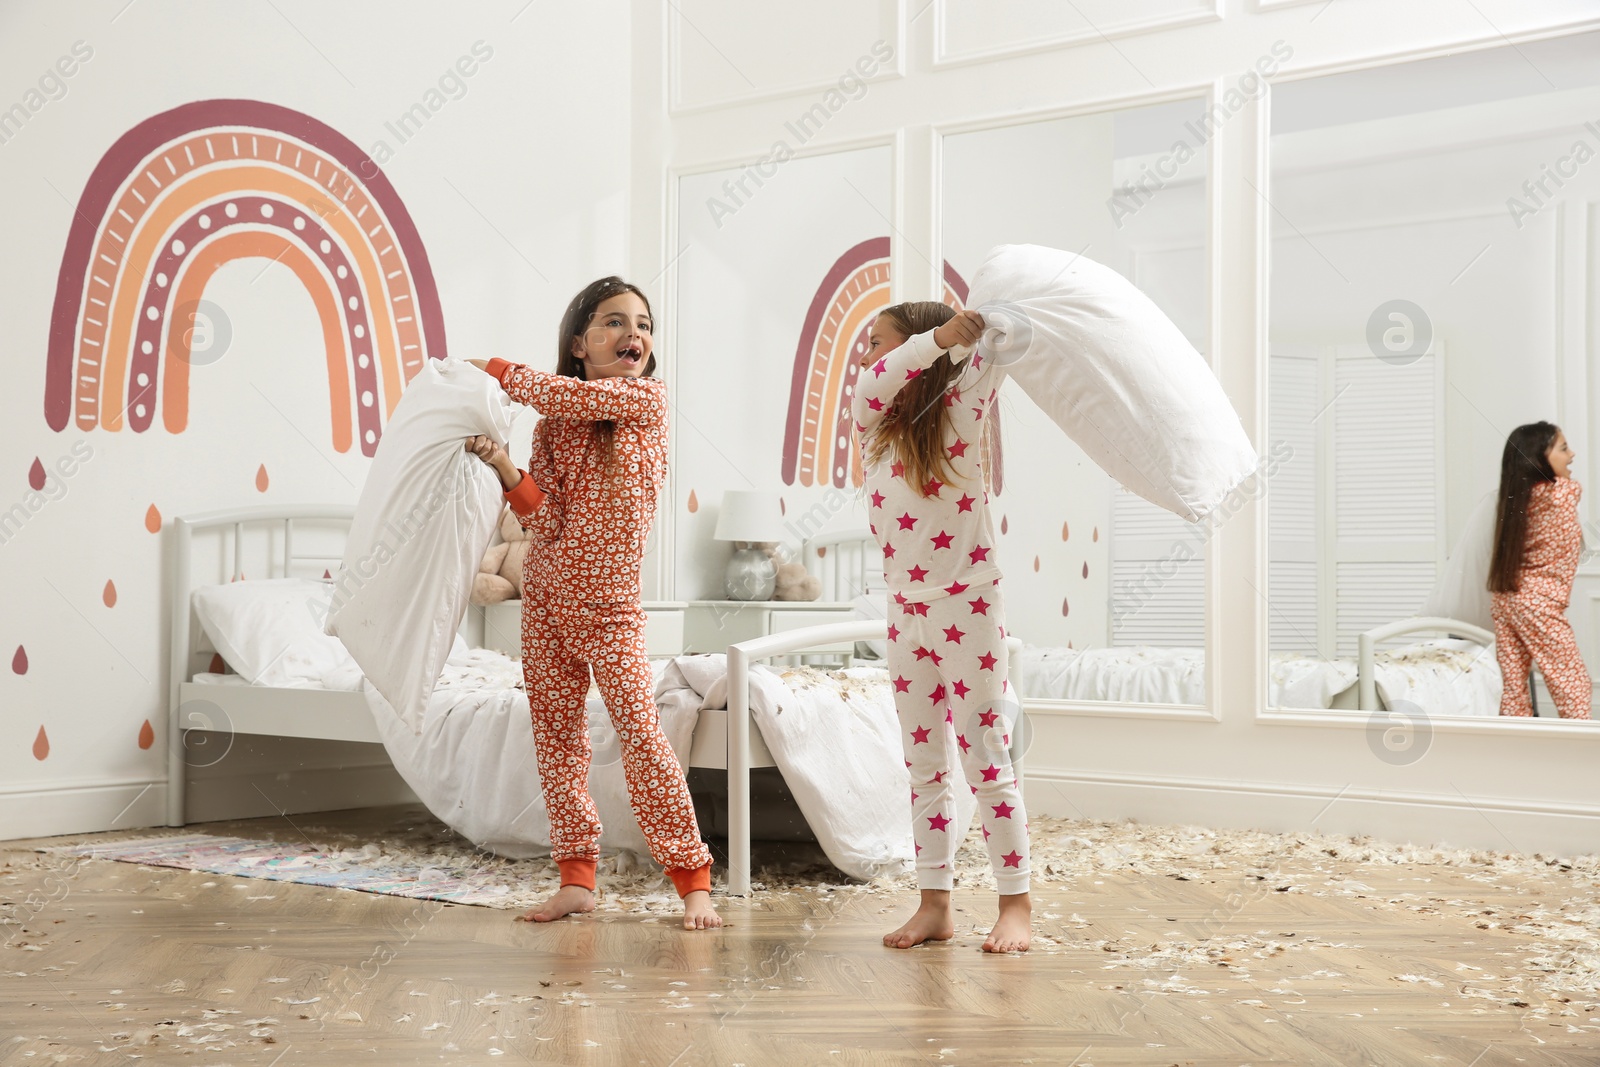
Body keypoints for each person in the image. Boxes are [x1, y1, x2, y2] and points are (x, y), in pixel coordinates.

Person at [465, 276, 721, 929]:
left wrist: (495, 369)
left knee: (639, 733)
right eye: (614, 322)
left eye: (643, 324)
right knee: (555, 738)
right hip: (546, 597)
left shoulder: (644, 400)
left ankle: (692, 879)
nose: (633, 334)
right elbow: (543, 518)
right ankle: (576, 878)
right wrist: (502, 465)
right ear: (579, 341)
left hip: (609, 605)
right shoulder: (555, 424)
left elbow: (563, 393)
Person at [852, 300, 1032, 953]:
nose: (871, 357)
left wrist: (962, 337)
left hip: (967, 601)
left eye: (879, 342)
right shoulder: (875, 421)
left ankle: (1016, 903)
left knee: (986, 755)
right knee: (923, 765)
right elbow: (871, 387)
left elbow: (1013, 338)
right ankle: (935, 902)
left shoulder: (962, 407)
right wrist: (933, 339)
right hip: (906, 608)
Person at [1487, 421, 1591, 719]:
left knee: (1514, 689)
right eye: (1563, 448)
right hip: (1537, 602)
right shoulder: (1561, 494)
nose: (1572, 454)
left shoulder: (1517, 498)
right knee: (1573, 686)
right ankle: (1580, 756)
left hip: (1506, 599)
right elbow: (1571, 489)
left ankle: (1516, 753)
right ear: (1538, 458)